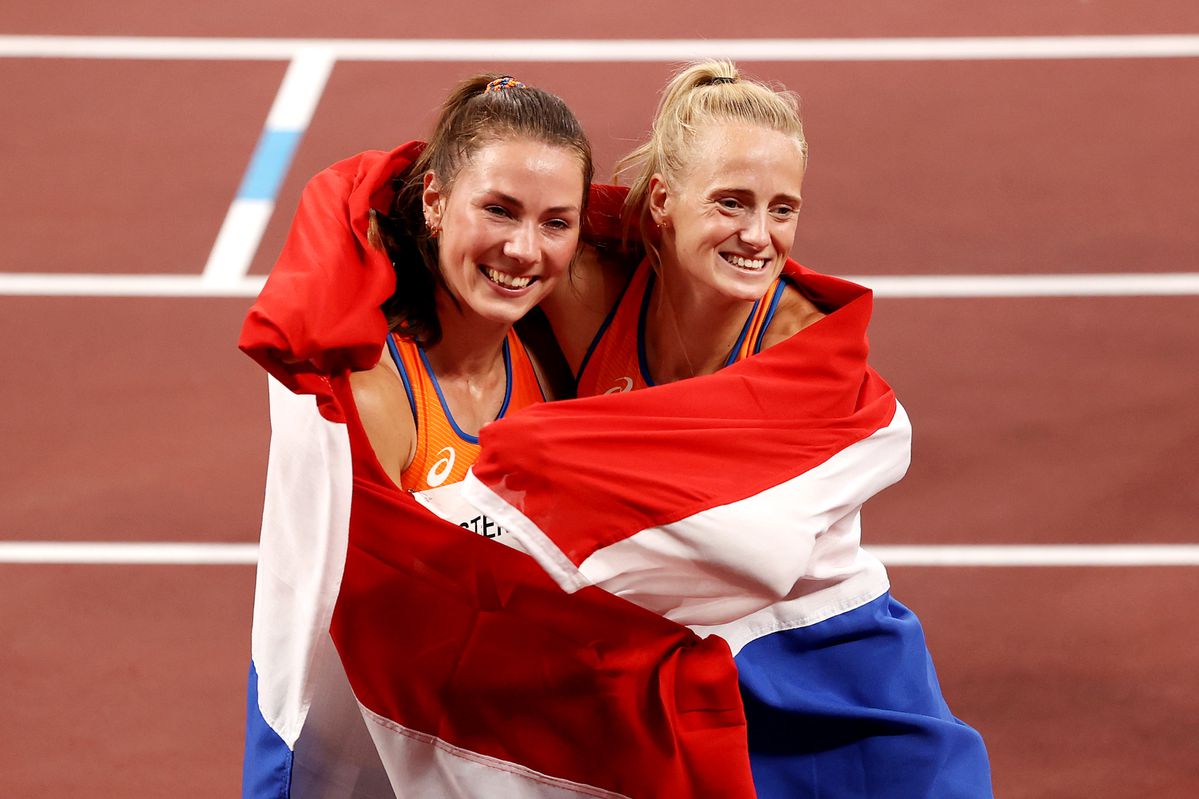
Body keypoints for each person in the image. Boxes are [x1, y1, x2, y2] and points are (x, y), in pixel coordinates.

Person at [462, 60, 995, 797]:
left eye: (782, 209)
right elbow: (450, 229)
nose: (758, 235)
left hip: (817, 654)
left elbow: (761, 548)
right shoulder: (589, 290)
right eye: (731, 203)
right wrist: (492, 110)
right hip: (670, 664)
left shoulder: (798, 346)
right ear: (663, 200)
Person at [239, 74, 603, 798]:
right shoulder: (373, 380)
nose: (524, 250)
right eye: (498, 210)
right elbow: (386, 606)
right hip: (350, 750)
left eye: (555, 222)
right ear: (434, 201)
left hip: (477, 738)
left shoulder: (548, 366)